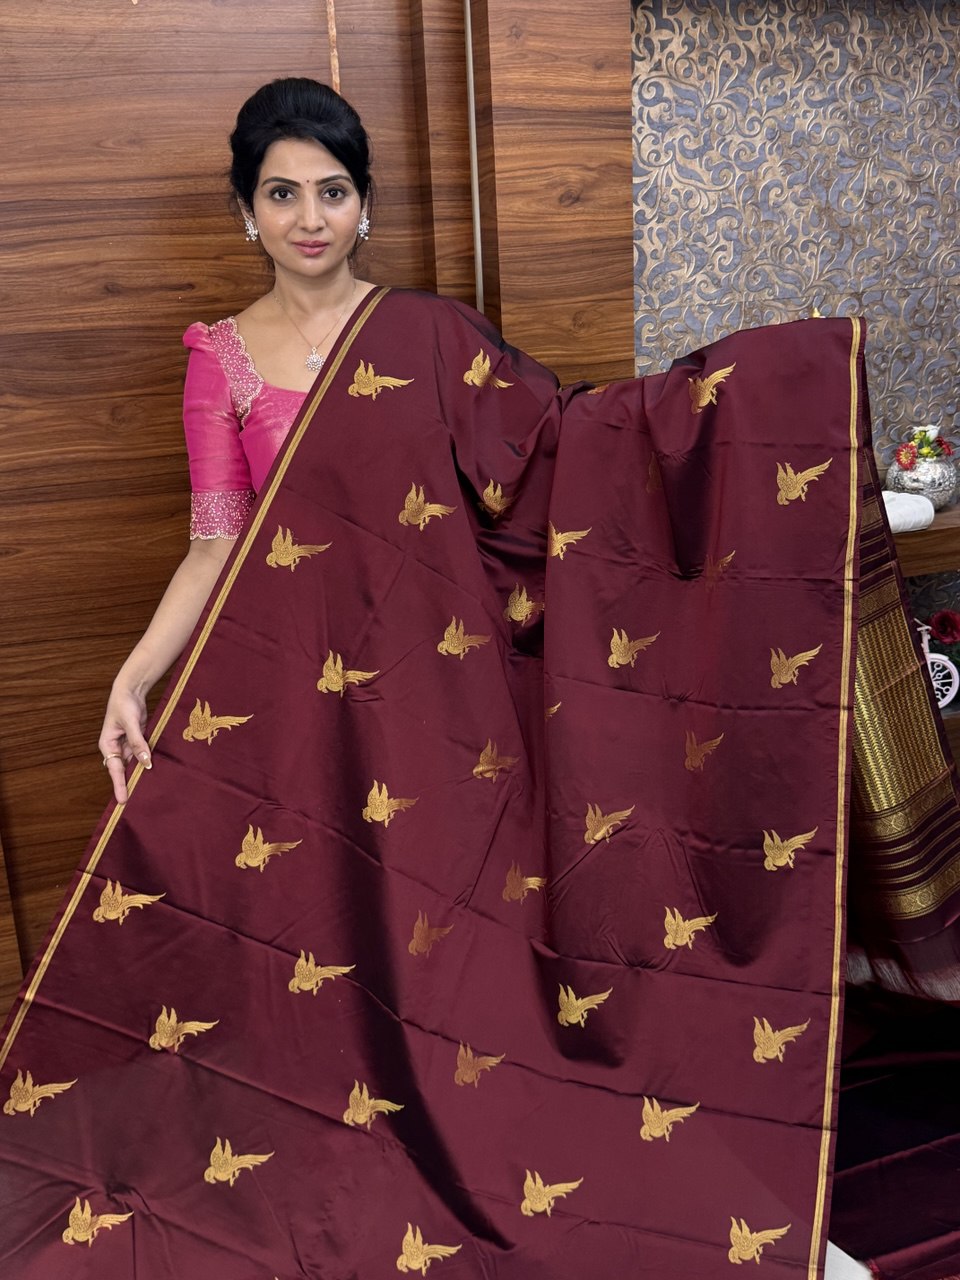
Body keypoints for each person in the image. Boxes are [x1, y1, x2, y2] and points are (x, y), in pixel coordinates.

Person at [1, 77, 956, 1280]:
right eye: (281, 194)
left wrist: (757, 392)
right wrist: (134, 679)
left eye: (331, 192)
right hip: (291, 715)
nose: (309, 218)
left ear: (365, 204)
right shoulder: (220, 360)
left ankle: (513, 1138)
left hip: (433, 708)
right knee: (305, 969)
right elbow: (214, 542)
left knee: (455, 960)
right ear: (246, 212)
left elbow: (571, 449)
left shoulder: (428, 336)